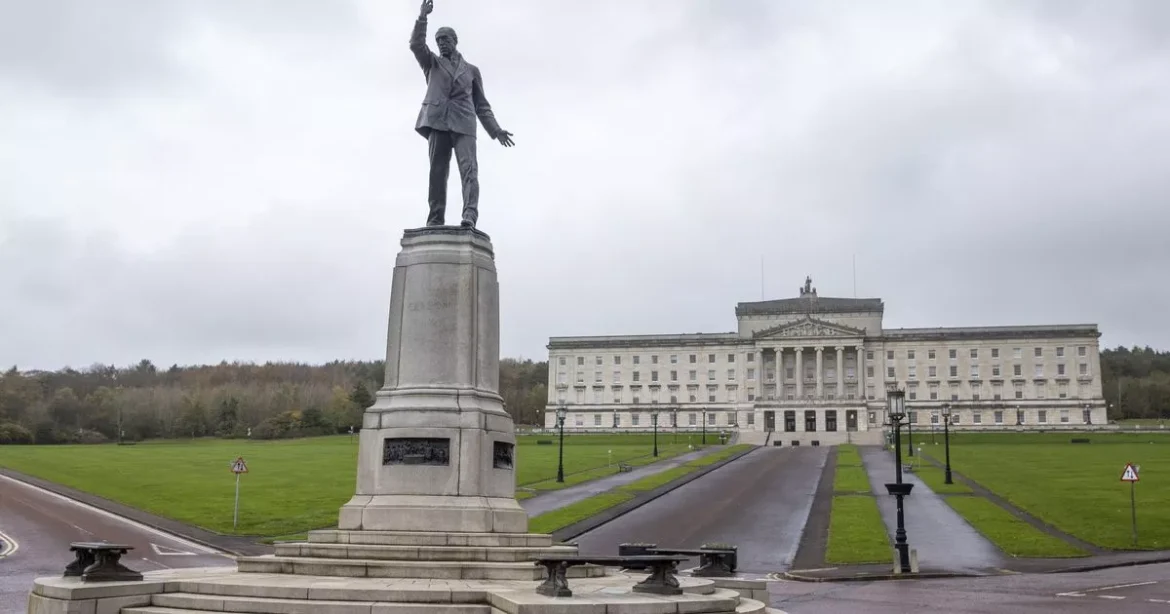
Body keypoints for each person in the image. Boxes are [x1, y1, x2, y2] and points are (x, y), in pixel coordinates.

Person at [410, 0, 515, 228]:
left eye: (445, 40)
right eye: (438, 41)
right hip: (437, 121)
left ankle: (469, 215)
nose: (441, 44)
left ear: (455, 41)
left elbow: (481, 105)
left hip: (464, 123)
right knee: (437, 173)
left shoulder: (472, 71)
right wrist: (422, 17)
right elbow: (416, 44)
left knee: (469, 171)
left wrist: (496, 130)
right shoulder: (432, 63)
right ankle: (435, 218)